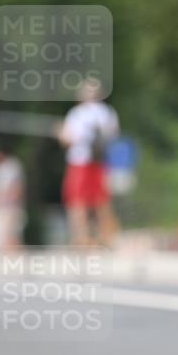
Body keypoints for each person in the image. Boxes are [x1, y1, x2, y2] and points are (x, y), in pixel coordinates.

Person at [57, 77, 120, 247]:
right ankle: (98, 238)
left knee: (85, 202)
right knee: (94, 202)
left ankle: (88, 239)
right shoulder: (102, 113)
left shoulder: (86, 113)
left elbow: (68, 138)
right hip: (90, 162)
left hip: (86, 162)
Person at [0, 143, 26, 251]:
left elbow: (17, 187)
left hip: (10, 208)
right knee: (3, 237)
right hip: (1, 208)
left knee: (10, 236)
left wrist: (8, 200)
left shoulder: (12, 166)